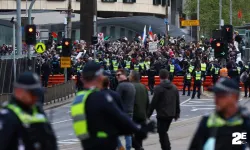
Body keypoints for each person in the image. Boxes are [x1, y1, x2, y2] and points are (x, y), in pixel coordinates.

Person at [70, 62, 155, 150]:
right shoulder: (100, 97)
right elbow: (119, 118)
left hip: (87, 144)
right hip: (104, 144)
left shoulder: (78, 99)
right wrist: (140, 129)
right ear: (98, 77)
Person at [0, 72, 58, 150]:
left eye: (38, 94)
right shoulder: (7, 116)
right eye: (33, 93)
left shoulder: (38, 111)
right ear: (19, 91)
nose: (36, 97)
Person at [189, 78, 250, 150]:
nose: (216, 99)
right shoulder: (208, 121)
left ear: (234, 96)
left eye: (221, 96)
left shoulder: (245, 122)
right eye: (216, 95)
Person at [148, 69, 180, 150]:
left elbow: (153, 103)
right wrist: (177, 113)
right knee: (163, 132)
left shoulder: (158, 88)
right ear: (168, 76)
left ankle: (167, 148)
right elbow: (177, 102)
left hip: (162, 114)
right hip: (171, 114)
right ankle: (166, 147)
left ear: (159, 76)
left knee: (162, 133)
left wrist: (148, 115)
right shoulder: (174, 88)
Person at [116, 69, 136, 150]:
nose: (117, 77)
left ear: (124, 75)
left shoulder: (121, 86)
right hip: (130, 111)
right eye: (116, 75)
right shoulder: (131, 85)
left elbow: (117, 99)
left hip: (122, 112)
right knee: (128, 133)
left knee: (113, 133)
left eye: (119, 75)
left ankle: (121, 148)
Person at [129, 71, 150, 150]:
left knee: (128, 135)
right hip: (142, 116)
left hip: (134, 115)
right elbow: (147, 102)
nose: (129, 76)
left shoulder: (131, 86)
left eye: (130, 75)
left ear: (133, 77)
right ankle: (139, 147)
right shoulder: (143, 87)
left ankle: (138, 148)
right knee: (139, 138)